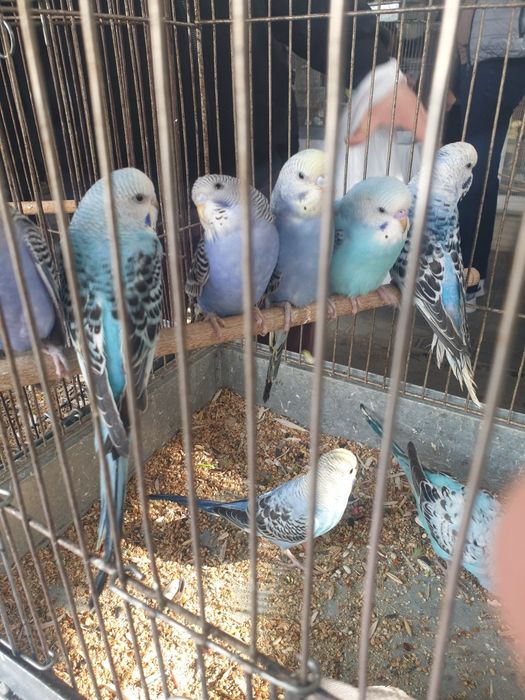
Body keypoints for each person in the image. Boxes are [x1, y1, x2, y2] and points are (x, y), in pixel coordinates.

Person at [445, 0, 525, 309]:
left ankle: (463, 284)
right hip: (493, 53)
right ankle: (469, 281)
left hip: (497, 52)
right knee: (478, 170)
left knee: (471, 171)